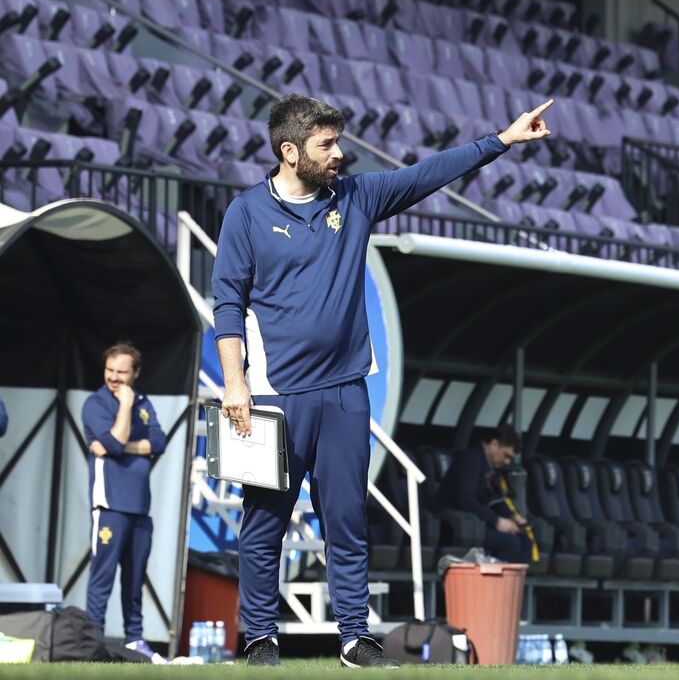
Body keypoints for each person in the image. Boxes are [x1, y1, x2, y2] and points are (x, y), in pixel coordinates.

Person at [212, 94, 553, 668]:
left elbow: (426, 175)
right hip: (275, 395)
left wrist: (502, 140)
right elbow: (227, 303)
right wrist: (235, 382)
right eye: (326, 144)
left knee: (346, 517)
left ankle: (353, 637)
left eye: (337, 141)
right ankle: (258, 636)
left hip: (346, 390)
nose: (339, 153)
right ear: (290, 151)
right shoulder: (246, 213)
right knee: (264, 519)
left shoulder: (355, 197)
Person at [81, 342, 168, 663]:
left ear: (136, 373)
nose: (114, 378)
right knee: (102, 577)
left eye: (121, 372)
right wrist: (124, 407)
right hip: (109, 505)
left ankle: (134, 640)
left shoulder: (144, 403)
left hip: (140, 508)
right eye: (109, 371)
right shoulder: (96, 403)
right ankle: (91, 642)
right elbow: (115, 439)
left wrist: (123, 446)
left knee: (134, 581)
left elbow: (158, 441)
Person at [436, 424, 534, 563]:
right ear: (494, 444)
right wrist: (497, 521)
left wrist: (512, 517)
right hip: (458, 525)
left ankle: (515, 583)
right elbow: (466, 500)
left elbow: (496, 499)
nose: (507, 461)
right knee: (511, 543)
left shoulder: (492, 468)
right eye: (506, 455)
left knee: (525, 540)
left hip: (479, 522)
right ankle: (492, 581)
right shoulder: (471, 459)